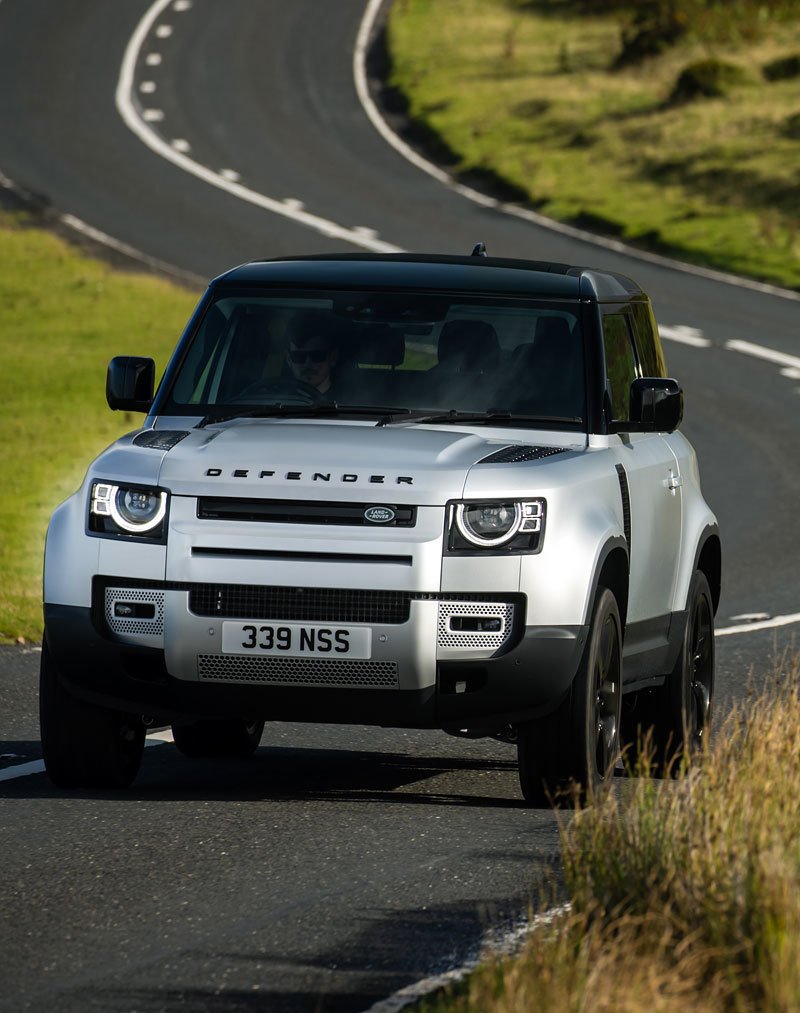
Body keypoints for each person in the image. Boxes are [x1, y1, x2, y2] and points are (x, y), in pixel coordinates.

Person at [286, 316, 340, 396]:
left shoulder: (351, 401)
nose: (307, 363)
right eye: (299, 356)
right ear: (288, 359)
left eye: (317, 356)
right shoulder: (270, 398)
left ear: (333, 358)